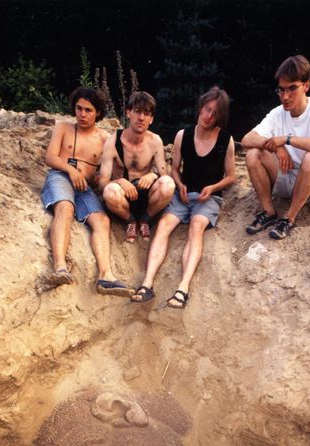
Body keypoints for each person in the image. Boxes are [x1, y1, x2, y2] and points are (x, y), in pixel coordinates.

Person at [130, 87, 235, 309]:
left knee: (196, 227)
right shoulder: (183, 135)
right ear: (200, 108)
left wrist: (213, 187)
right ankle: (147, 283)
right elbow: (174, 169)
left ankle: (182, 289)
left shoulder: (226, 140)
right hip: (183, 195)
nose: (208, 116)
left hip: (209, 198)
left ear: (221, 116)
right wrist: (179, 185)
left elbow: (231, 176)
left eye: (215, 113)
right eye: (207, 109)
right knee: (164, 225)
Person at [41, 86, 133, 296]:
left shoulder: (104, 138)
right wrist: (71, 170)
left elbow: (118, 168)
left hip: (85, 186)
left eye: (88, 110)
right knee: (65, 207)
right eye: (79, 109)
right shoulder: (63, 128)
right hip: (61, 175)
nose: (82, 114)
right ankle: (60, 267)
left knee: (102, 221)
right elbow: (51, 157)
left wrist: (122, 180)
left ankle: (106, 276)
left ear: (98, 112)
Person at [241, 54, 310, 240]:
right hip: (286, 175)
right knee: (253, 154)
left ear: (306, 85)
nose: (285, 96)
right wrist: (276, 148)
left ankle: (288, 218)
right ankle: (269, 212)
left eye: (292, 88)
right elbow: (246, 139)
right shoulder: (277, 113)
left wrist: (286, 140)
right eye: (281, 90)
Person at [99, 91, 175, 243]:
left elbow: (164, 174)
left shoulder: (155, 141)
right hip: (123, 198)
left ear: (151, 119)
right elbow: (102, 183)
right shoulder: (113, 141)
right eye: (137, 111)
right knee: (109, 191)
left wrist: (152, 175)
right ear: (128, 112)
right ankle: (131, 221)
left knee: (167, 184)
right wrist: (120, 181)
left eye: (146, 113)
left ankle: (145, 220)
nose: (141, 118)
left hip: (146, 196)